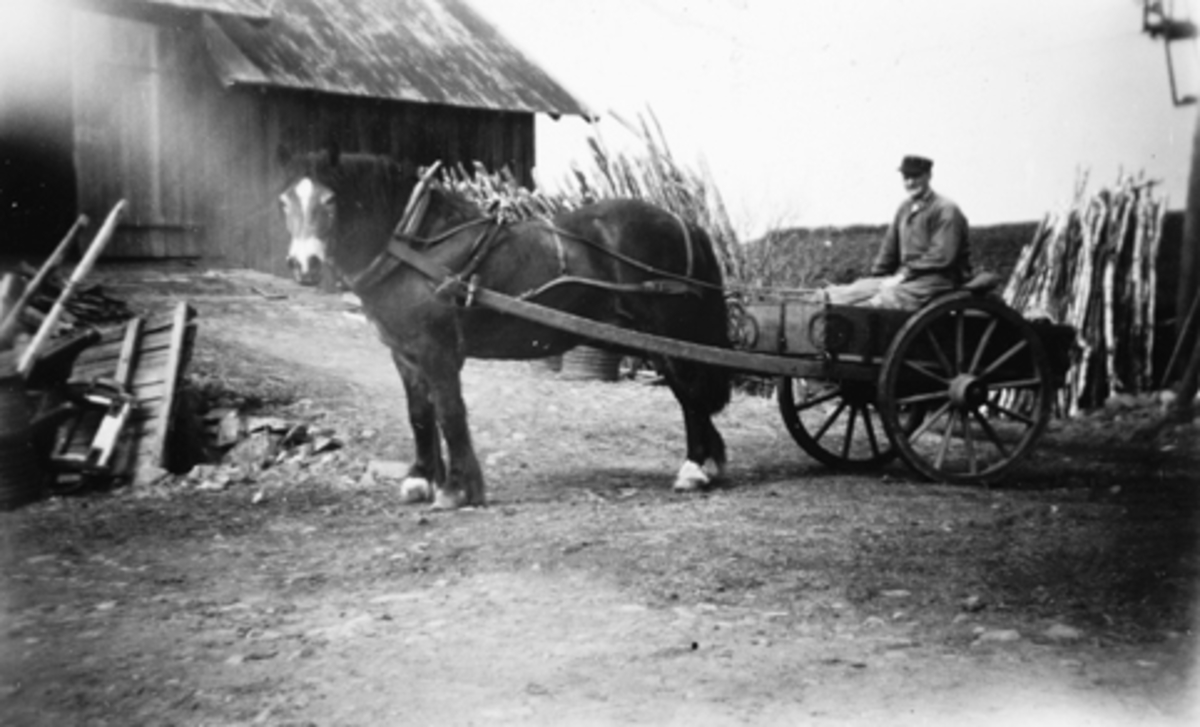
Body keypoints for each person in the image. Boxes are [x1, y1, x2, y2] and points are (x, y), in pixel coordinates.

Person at [826, 155, 971, 310]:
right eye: (906, 177)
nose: (910, 182)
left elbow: (941, 257)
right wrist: (876, 277)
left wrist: (903, 275)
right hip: (908, 278)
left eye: (916, 176)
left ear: (928, 176)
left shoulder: (946, 209)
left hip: (938, 280)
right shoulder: (904, 208)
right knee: (853, 291)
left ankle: (860, 323)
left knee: (886, 297)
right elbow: (889, 249)